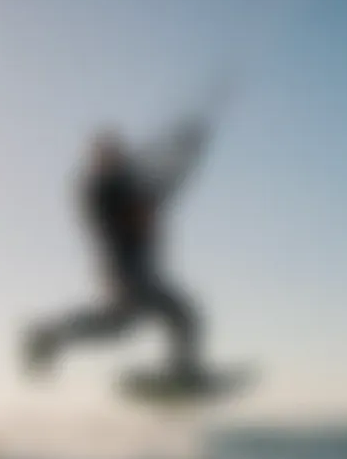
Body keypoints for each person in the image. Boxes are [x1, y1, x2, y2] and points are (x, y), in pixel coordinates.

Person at [22, 85, 230, 382]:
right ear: (99, 159)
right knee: (181, 315)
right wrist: (185, 151)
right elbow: (147, 200)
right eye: (108, 155)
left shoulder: (121, 184)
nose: (118, 158)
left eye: (117, 154)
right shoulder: (103, 189)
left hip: (129, 272)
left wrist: (186, 147)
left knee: (118, 325)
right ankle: (182, 373)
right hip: (127, 274)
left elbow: (155, 189)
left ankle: (49, 335)